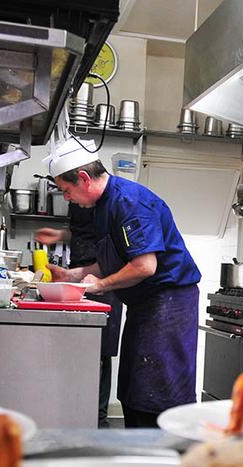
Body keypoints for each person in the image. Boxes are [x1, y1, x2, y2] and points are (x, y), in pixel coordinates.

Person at [36, 137, 201, 427]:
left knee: (159, 391)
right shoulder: (102, 206)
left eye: (66, 190)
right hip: (145, 305)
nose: (66, 198)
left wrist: (99, 286)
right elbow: (116, 259)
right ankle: (139, 453)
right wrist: (73, 276)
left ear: (84, 179)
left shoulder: (130, 202)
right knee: (134, 387)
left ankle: (165, 458)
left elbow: (144, 266)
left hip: (169, 303)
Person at [37, 201, 123, 429]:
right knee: (80, 353)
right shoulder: (80, 201)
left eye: (67, 189)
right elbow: (85, 232)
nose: (65, 195)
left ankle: (97, 421)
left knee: (99, 354)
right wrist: (61, 235)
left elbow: (114, 251)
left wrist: (81, 277)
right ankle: (75, 414)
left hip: (102, 281)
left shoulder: (108, 203)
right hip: (78, 277)